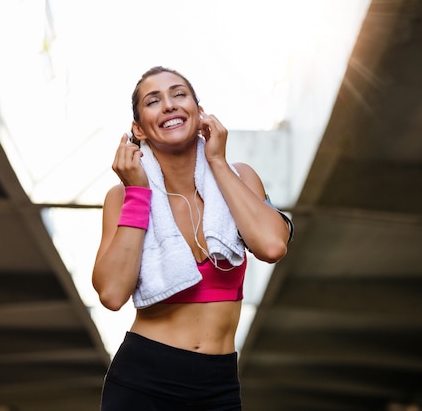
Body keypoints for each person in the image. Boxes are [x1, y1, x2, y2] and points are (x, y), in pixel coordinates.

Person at [92, 66, 293, 411]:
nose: (169, 105)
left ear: (200, 113)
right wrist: (139, 193)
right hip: (144, 381)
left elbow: (272, 246)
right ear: (138, 128)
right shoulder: (122, 197)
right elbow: (112, 294)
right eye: (154, 101)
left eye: (179, 94)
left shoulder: (240, 176)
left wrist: (217, 160)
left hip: (219, 384)